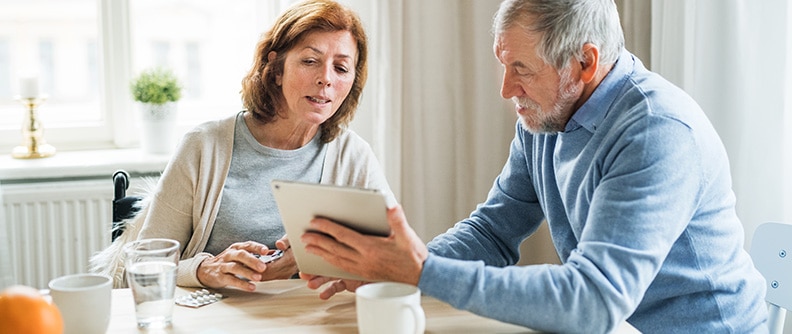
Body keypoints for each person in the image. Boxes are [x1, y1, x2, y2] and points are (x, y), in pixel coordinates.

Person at [299, 0, 768, 332]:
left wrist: (421, 271)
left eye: (522, 68)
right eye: (504, 65)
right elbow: (492, 233)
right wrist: (389, 265)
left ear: (585, 62)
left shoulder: (656, 132)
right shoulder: (545, 117)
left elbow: (594, 300)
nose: (506, 89)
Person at [90, 0, 394, 293]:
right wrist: (205, 270)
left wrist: (309, 261)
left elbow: (393, 259)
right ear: (276, 69)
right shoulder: (203, 146)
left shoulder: (354, 155)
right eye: (310, 61)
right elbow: (143, 265)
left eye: (341, 69)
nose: (325, 79)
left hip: (312, 320)